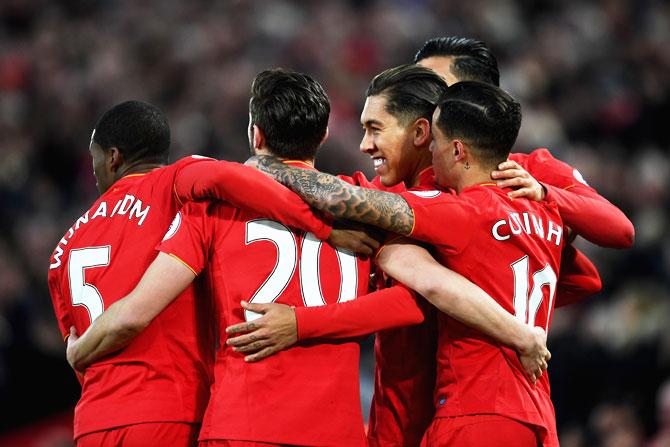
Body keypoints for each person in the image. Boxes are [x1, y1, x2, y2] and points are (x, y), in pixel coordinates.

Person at [65, 69, 556, 447]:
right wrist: (310, 320)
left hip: (242, 422)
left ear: (256, 136)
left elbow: (146, 307)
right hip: (335, 430)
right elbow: (413, 303)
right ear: (323, 137)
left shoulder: (212, 209)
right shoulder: (362, 209)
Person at [249, 80, 566, 445]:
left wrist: (265, 164)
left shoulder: (456, 210)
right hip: (536, 413)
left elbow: (343, 201)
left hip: (476, 408)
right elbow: (593, 270)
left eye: (436, 141)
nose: (431, 150)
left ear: (457, 149)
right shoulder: (547, 211)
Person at [47, 100, 349, 447]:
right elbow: (226, 176)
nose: (95, 168)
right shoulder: (173, 183)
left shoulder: (62, 250)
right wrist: (321, 223)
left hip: (94, 423)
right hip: (171, 411)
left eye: (94, 158)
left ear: (113, 157)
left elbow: (80, 354)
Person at [414, 36, 635, 249]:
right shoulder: (402, 173)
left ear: (481, 97)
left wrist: (544, 193)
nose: (421, 100)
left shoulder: (531, 171)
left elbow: (621, 230)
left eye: (436, 87)